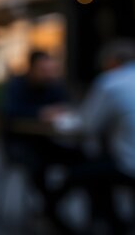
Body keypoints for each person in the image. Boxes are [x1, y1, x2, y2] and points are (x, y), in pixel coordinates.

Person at [0, 51, 79, 224]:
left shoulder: (54, 85)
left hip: (46, 141)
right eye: (43, 69)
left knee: (83, 160)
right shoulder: (17, 85)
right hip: (20, 143)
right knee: (37, 165)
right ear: (32, 68)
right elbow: (9, 112)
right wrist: (40, 112)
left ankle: (51, 206)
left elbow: (65, 106)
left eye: (50, 69)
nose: (47, 73)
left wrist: (61, 112)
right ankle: (51, 211)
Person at [71, 39, 135, 232]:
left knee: (82, 172)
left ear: (112, 61)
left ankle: (114, 225)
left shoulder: (111, 82)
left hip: (129, 164)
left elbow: (87, 126)